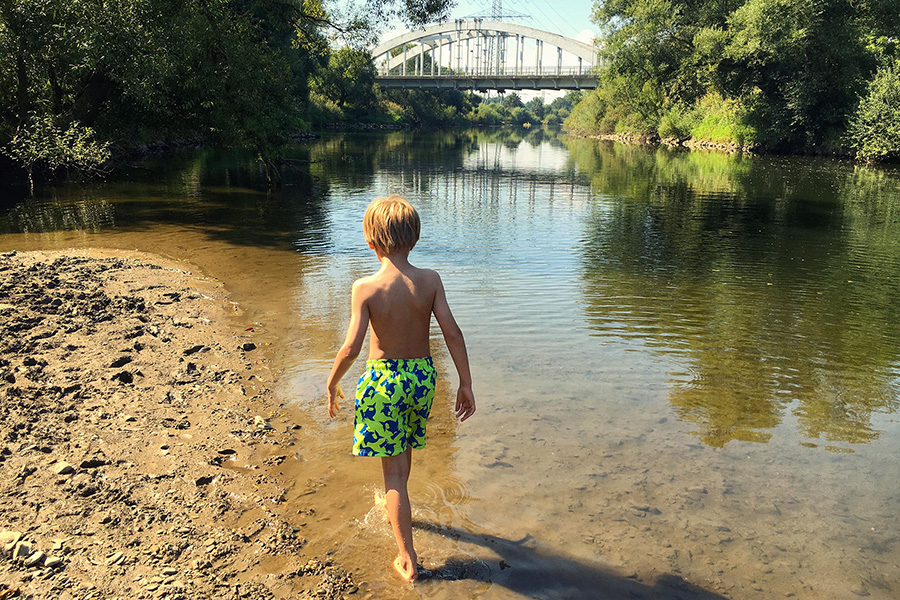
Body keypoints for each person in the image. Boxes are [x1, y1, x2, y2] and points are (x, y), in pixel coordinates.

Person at [326, 195, 476, 583]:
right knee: (403, 455)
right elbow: (453, 333)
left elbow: (351, 348)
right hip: (422, 378)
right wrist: (466, 383)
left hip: (384, 381)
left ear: (370, 243)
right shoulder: (430, 281)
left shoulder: (365, 287)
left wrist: (332, 382)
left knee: (391, 473)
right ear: (416, 238)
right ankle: (397, 502)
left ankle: (407, 557)